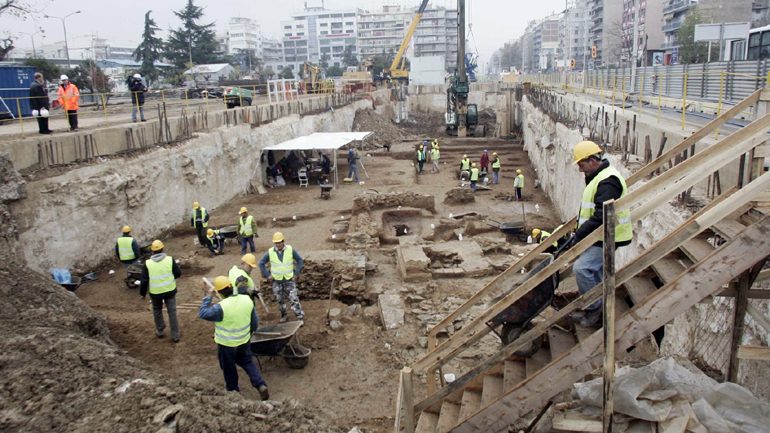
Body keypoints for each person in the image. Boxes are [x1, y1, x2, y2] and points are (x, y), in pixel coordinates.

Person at [571, 141, 633, 327]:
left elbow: (601, 216)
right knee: (596, 273)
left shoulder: (607, 181)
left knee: (582, 269)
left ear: (592, 161)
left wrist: (579, 234)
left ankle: (594, 310)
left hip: (609, 236)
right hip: (601, 235)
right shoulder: (600, 176)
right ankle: (602, 310)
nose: (580, 170)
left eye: (581, 165)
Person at [198, 275, 269, 400]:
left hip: (227, 344)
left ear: (219, 292)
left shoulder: (221, 307)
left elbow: (203, 313)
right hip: (244, 340)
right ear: (231, 287)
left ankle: (233, 392)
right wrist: (249, 333)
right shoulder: (246, 300)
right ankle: (260, 384)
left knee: (229, 368)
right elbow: (254, 321)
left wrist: (208, 297)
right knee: (247, 361)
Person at [259, 232, 305, 323]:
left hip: (289, 279)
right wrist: (268, 275)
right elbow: (261, 263)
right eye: (276, 243)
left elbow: (299, 260)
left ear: (283, 241)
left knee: (293, 298)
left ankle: (299, 316)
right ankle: (284, 315)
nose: (278, 244)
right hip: (277, 281)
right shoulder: (270, 252)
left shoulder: (290, 249)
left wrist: (296, 273)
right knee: (279, 300)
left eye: (279, 242)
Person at [140, 240, 181, 342]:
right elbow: (178, 273)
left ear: (152, 251)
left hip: (155, 293)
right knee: (172, 312)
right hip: (170, 291)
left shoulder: (147, 263)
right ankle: (175, 335)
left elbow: (144, 281)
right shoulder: (170, 260)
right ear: (162, 249)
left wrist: (142, 293)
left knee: (157, 310)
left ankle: (160, 329)